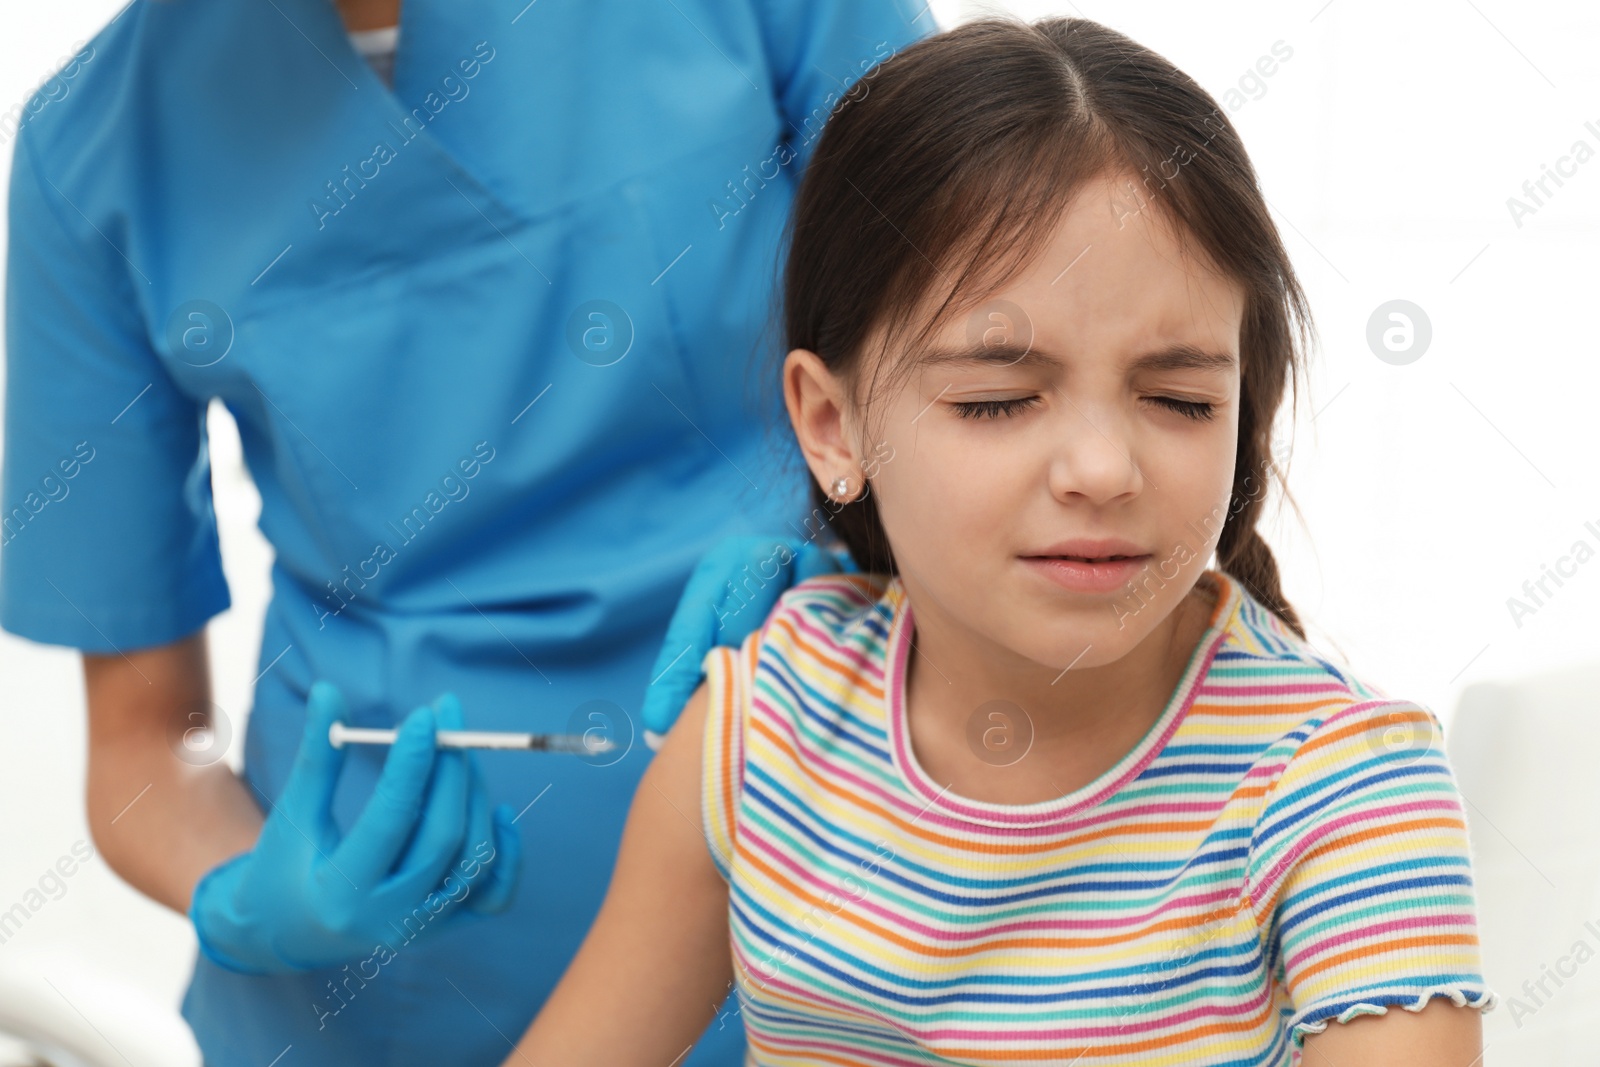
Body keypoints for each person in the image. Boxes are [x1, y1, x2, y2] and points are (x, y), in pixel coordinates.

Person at [493, 16, 1501, 1065]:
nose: (1102, 468)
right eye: (997, 400)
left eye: (1176, 397)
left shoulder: (1347, 795)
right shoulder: (760, 729)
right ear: (833, 426)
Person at [0, 0, 934, 1063]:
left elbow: (987, 326)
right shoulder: (92, 149)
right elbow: (143, 745)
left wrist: (875, 560)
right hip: (383, 1006)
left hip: (818, 890)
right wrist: (255, 888)